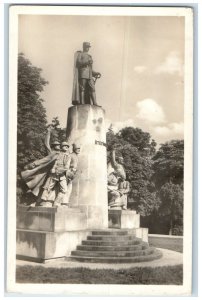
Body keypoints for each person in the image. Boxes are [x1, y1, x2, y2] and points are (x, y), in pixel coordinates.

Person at [40, 141, 72, 207]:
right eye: (64, 146)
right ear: (61, 147)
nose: (66, 147)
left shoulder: (68, 156)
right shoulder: (57, 154)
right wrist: (53, 169)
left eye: (67, 146)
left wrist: (57, 171)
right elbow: (55, 163)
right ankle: (43, 201)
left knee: (64, 190)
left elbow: (66, 167)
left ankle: (56, 202)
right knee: (48, 187)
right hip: (54, 174)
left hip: (61, 174)